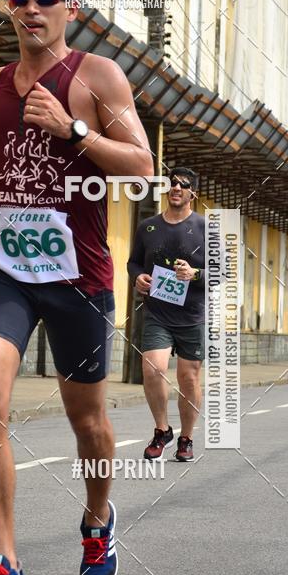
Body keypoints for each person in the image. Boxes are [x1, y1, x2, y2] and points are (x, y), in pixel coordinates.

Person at [0, 0, 153, 575]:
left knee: (89, 422)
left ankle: (98, 520)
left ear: (71, 7)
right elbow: (5, 146)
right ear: (9, 8)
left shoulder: (98, 76)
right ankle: (4, 565)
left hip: (78, 274)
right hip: (6, 267)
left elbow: (141, 167)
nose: (32, 7)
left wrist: (73, 130)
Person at [126, 167, 205, 463]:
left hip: (192, 317)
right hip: (158, 313)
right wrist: (138, 278)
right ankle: (162, 430)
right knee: (153, 369)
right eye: (172, 183)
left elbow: (222, 272)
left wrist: (194, 273)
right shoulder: (148, 226)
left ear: (192, 194)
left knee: (188, 378)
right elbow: (133, 263)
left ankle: (186, 438)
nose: (176, 188)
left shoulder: (204, 228)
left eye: (183, 185)